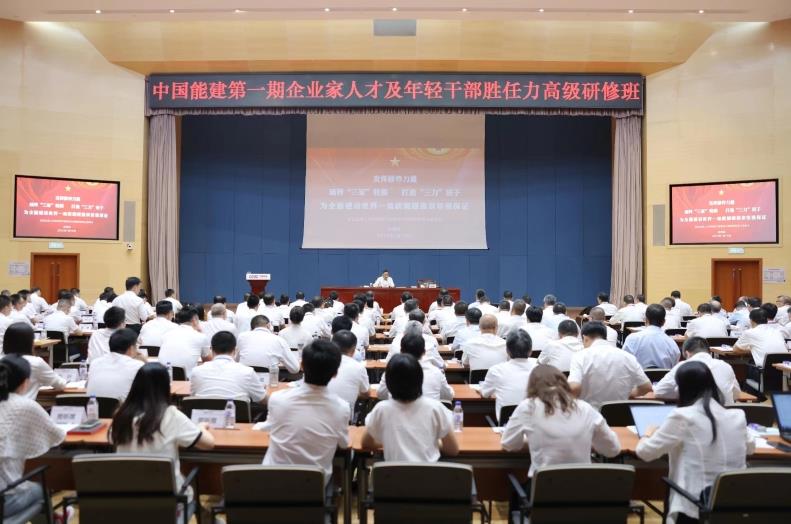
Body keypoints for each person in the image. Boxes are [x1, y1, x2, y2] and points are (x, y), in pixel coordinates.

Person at [636, 361, 754, 524]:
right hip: (735, 506)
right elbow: (751, 448)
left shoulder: (682, 416)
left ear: (683, 389)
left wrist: (647, 434)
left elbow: (645, 452)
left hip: (694, 506)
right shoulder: (737, 416)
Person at [110, 363, 215, 506]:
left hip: (126, 499)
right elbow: (208, 444)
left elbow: (112, 440)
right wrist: (200, 428)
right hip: (168, 501)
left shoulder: (121, 415)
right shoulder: (171, 415)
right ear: (166, 388)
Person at [502, 365, 620, 477]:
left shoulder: (528, 407)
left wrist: (532, 440)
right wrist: (587, 440)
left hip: (545, 487)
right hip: (583, 486)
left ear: (531, 386)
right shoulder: (586, 408)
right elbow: (612, 450)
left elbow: (509, 444)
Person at [261, 340, 350, 485]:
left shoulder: (277, 399)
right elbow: (344, 444)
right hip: (314, 485)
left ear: (302, 366)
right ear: (335, 373)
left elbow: (269, 430)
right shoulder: (342, 408)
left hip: (271, 482)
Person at [0, 355, 67, 520]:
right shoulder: (24, 406)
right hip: (6, 499)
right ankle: (57, 519)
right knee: (41, 489)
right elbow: (58, 436)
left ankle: (57, 518)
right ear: (25, 382)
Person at [362, 353, 459, 462]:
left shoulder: (381, 409)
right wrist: (434, 443)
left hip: (393, 473)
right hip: (429, 472)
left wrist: (390, 442)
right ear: (420, 380)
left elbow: (366, 443)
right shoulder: (435, 408)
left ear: (388, 382)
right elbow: (453, 450)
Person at [568, 322, 652, 409]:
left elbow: (574, 387)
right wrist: (628, 393)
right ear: (605, 337)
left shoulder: (580, 356)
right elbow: (647, 387)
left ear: (585, 338)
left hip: (590, 414)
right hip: (621, 415)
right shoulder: (627, 356)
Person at [654, 337, 741, 405]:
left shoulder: (684, 366)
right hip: (725, 416)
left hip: (694, 418)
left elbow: (659, 392)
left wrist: (679, 392)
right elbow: (736, 395)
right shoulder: (726, 366)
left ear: (687, 353)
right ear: (709, 352)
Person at [190, 331, 266, 404]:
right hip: (236, 413)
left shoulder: (196, 371)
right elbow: (262, 399)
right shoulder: (248, 372)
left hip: (203, 412)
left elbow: (193, 396)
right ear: (235, 350)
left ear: (211, 350)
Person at [480, 329, 537, 423]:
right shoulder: (541, 369)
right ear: (531, 351)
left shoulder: (496, 370)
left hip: (506, 426)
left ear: (507, 351)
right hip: (535, 425)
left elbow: (485, 394)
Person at [379, 330, 453, 402]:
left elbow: (381, 394)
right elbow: (448, 396)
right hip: (429, 410)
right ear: (424, 352)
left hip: (396, 409)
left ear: (401, 351)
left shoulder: (391, 370)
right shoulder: (436, 373)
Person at [3, 323, 66, 400]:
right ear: (31, 343)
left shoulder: (2, 360)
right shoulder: (36, 362)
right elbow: (60, 385)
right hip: (26, 405)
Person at [87, 328, 145, 401]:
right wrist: (145, 361)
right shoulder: (137, 366)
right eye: (136, 346)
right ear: (131, 348)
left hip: (94, 407)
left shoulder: (95, 363)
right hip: (123, 407)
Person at [327, 330, 370, 421]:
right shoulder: (358, 367)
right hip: (345, 418)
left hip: (320, 415)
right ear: (354, 349)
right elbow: (366, 394)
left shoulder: (321, 362)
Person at [158, 308, 211, 378]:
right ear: (194, 320)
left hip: (162, 377)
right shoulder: (200, 337)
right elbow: (208, 361)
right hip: (187, 379)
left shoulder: (166, 334)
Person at [623, 304, 681, 369]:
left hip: (637, 375)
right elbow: (674, 368)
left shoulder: (632, 339)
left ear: (646, 320)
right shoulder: (672, 343)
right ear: (664, 322)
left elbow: (625, 363)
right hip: (664, 376)